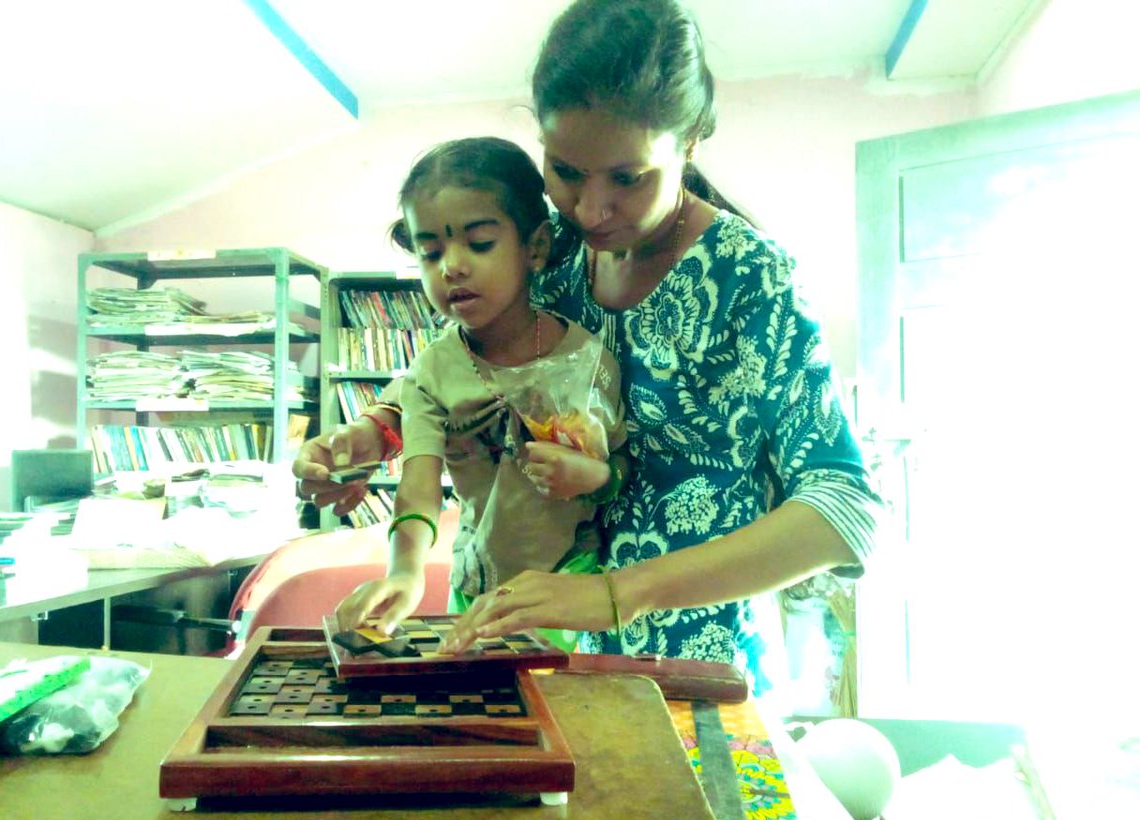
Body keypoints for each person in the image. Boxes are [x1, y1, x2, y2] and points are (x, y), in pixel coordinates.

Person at [295, 0, 880, 695]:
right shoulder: (556, 250)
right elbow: (466, 361)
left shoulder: (751, 278)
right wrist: (373, 433)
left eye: (627, 179)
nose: (591, 208)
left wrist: (616, 593)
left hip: (692, 671)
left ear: (689, 141)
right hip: (537, 658)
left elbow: (845, 511)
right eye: (566, 171)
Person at [330, 136, 627, 651]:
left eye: (480, 243)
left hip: (571, 587)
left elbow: (622, 473)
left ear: (534, 248)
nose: (451, 267)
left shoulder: (587, 358)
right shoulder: (432, 372)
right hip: (474, 591)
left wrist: (595, 476)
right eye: (431, 251)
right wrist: (404, 572)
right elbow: (419, 484)